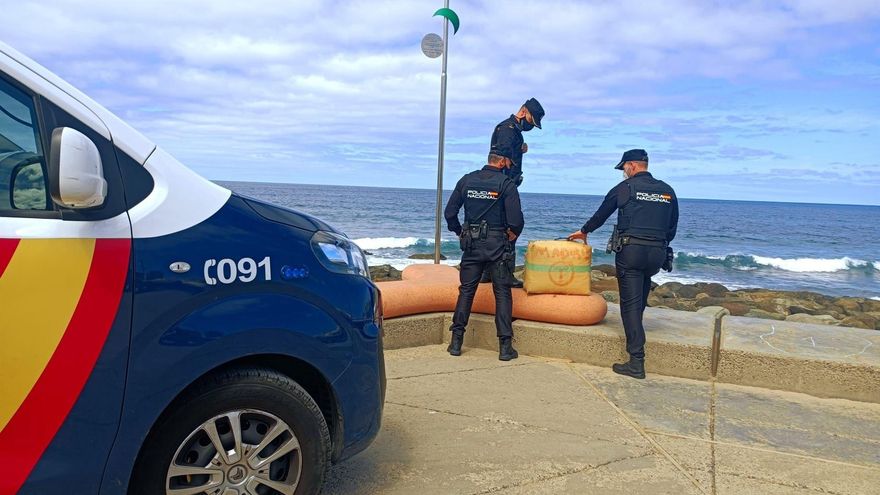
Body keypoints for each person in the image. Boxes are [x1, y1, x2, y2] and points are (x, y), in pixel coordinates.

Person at [568, 149, 678, 379]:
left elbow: (602, 214)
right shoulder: (667, 190)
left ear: (632, 166)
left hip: (631, 252)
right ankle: (636, 336)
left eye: (624, 168)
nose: (623, 172)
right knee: (640, 298)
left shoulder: (625, 188)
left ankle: (636, 361)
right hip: (657, 253)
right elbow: (672, 227)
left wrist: (584, 230)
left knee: (629, 305)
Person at [444, 144, 525, 361]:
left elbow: (450, 212)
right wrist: (513, 234)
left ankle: (456, 342)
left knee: (466, 291)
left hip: (472, 244)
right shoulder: (506, 184)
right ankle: (505, 348)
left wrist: (459, 231)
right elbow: (516, 220)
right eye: (509, 162)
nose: (509, 166)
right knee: (502, 293)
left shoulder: (466, 180)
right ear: (502, 161)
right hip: (498, 245)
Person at [487, 98, 544, 287]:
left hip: (504, 184)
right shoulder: (508, 129)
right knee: (511, 226)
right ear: (523, 112)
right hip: (504, 185)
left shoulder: (513, 130)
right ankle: (504, 274)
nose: (531, 126)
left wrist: (520, 150)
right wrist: (507, 183)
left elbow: (507, 153)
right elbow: (501, 159)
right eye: (531, 121)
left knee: (498, 226)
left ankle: (489, 272)